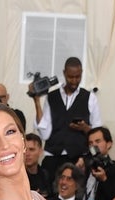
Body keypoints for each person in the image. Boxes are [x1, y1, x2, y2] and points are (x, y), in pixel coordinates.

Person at [31, 56, 101, 185]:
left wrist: (85, 128)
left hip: (78, 159)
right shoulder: (51, 97)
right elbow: (45, 134)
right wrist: (36, 102)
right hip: (53, 158)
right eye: (70, 77)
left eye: (78, 77)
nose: (74, 81)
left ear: (82, 73)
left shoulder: (90, 98)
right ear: (64, 73)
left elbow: (98, 134)